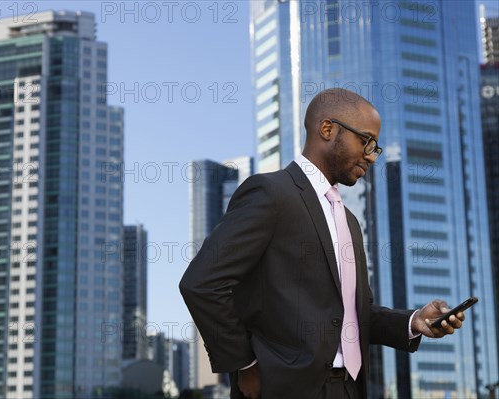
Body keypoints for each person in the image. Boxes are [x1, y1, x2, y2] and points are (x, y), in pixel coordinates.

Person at [179, 88, 465, 399]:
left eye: (376, 147)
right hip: (282, 388)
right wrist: (245, 364)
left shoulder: (349, 221)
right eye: (366, 140)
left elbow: (355, 314)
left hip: (350, 389)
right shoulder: (270, 193)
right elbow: (202, 282)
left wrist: (413, 321)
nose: (371, 155)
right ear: (327, 129)